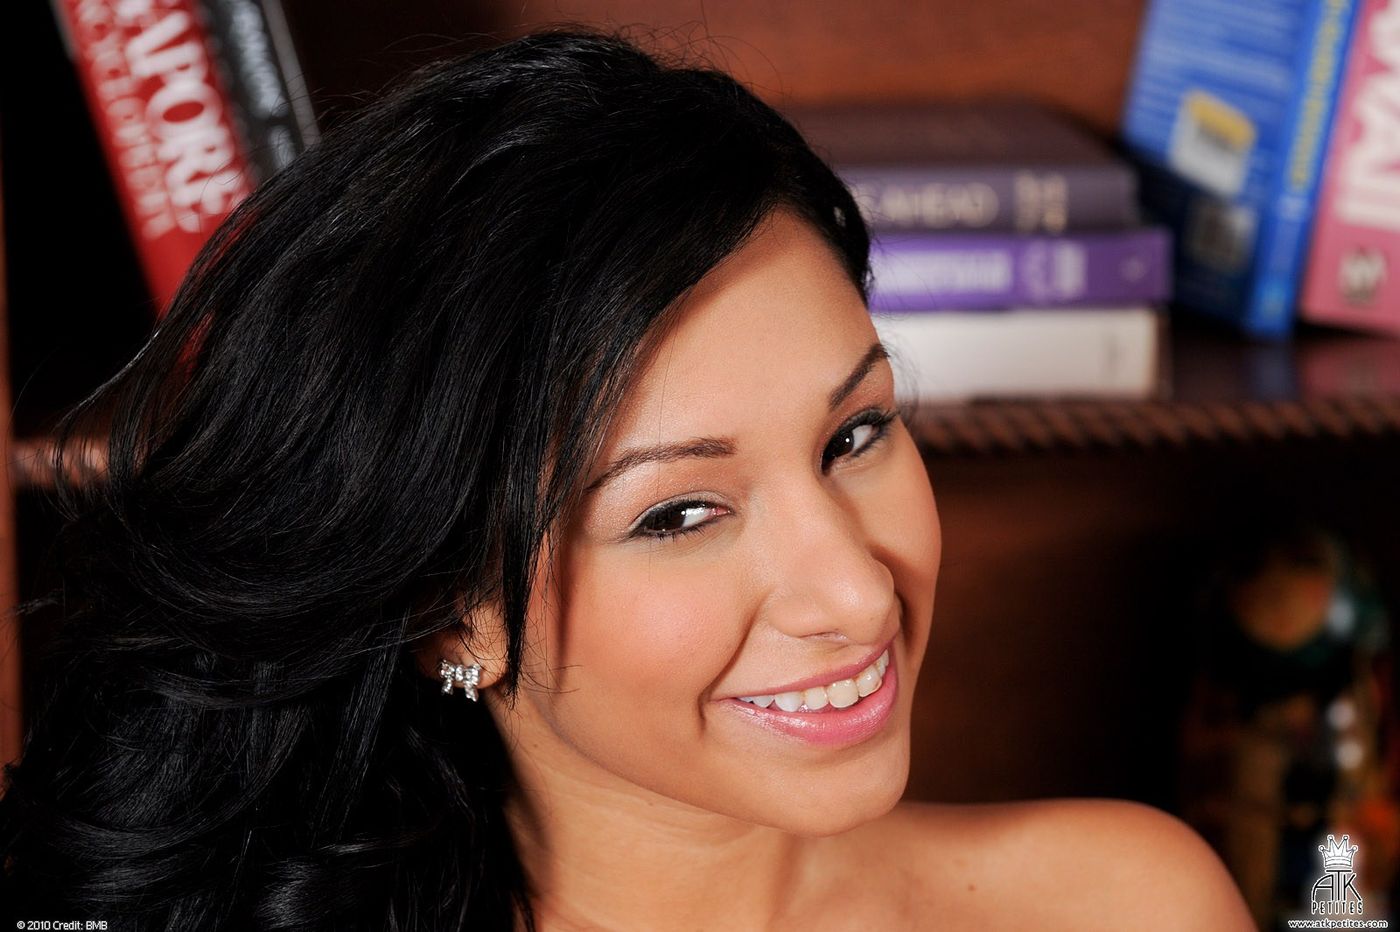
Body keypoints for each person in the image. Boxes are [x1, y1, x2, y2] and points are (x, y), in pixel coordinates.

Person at [0, 26, 1255, 931]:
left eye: (854, 434)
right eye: (679, 512)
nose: (856, 591)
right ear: (448, 611)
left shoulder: (1128, 900)